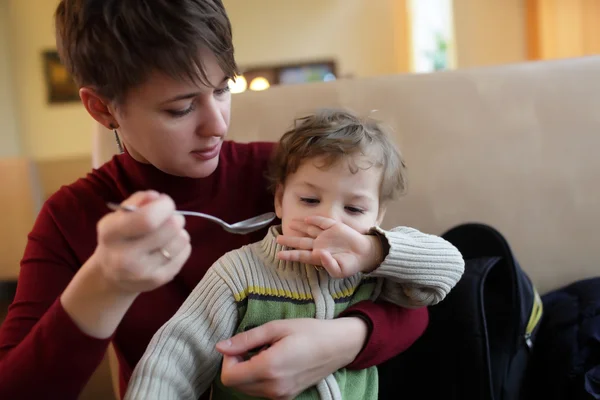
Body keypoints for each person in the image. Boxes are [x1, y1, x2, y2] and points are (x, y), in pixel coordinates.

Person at [0, 1, 464, 399]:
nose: (217, 124)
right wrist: (105, 284)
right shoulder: (72, 217)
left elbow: (414, 298)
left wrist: (344, 340)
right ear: (102, 108)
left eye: (223, 89)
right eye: (180, 108)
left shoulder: (291, 178)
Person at [124, 108, 465, 400]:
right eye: (310, 200)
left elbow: (449, 269)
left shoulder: (373, 267)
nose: (328, 219)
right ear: (279, 200)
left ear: (377, 217)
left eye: (354, 208)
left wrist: (372, 250)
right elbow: (176, 358)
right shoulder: (239, 273)